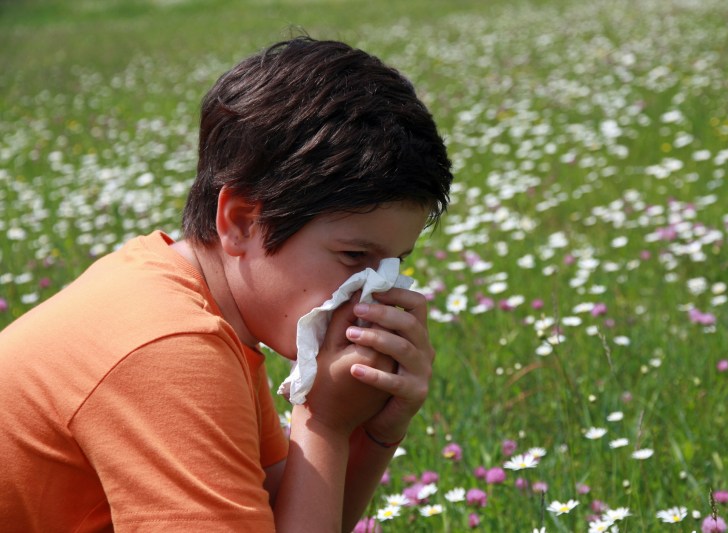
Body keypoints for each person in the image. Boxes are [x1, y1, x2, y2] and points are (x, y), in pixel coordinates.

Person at [0, 36, 453, 532]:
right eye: (353, 256)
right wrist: (323, 422)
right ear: (238, 222)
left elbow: (282, 518)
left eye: (394, 262)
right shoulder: (171, 347)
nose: (372, 289)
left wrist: (372, 432)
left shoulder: (205, 305)